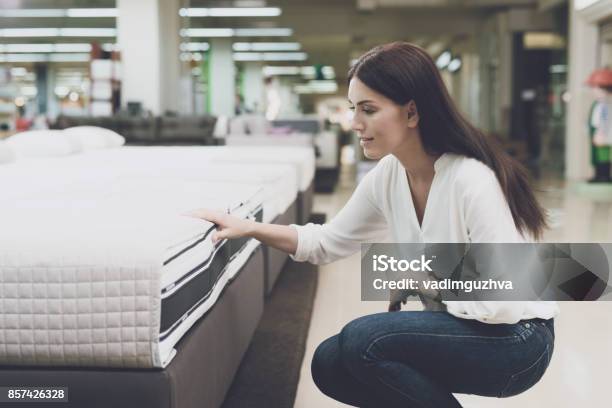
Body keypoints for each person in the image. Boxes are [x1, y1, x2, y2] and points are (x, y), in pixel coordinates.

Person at [188, 42, 558, 407]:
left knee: (364, 340)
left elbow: (504, 304)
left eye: (368, 109)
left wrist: (424, 281)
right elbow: (327, 242)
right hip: (476, 328)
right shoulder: (389, 175)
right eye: (353, 109)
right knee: (330, 363)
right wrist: (249, 228)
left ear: (411, 113)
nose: (355, 123)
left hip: (518, 342)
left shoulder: (471, 179)